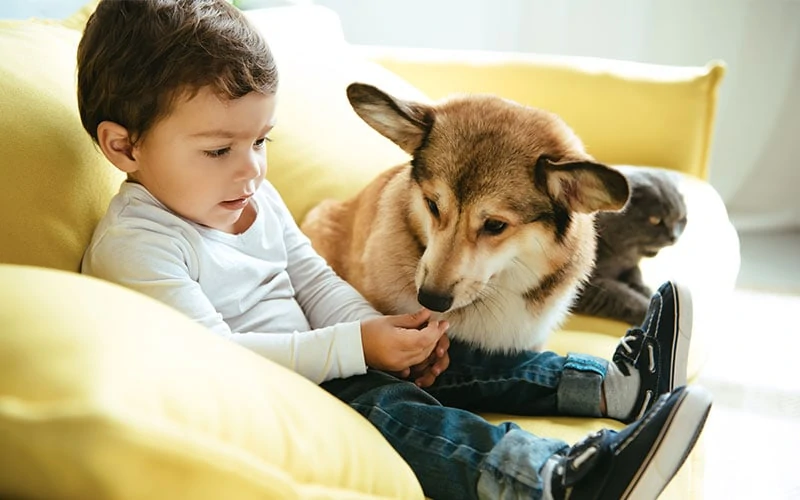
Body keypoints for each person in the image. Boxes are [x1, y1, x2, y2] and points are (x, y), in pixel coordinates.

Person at [77, 1, 712, 499]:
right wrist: (357, 350)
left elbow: (310, 279)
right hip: (273, 395)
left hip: (327, 359)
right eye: (220, 149)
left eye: (261, 142)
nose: (251, 171)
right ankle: (551, 478)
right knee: (399, 413)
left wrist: (380, 331)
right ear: (124, 147)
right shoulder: (140, 243)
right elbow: (217, 358)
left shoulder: (245, 196)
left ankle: (614, 387)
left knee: (452, 355)